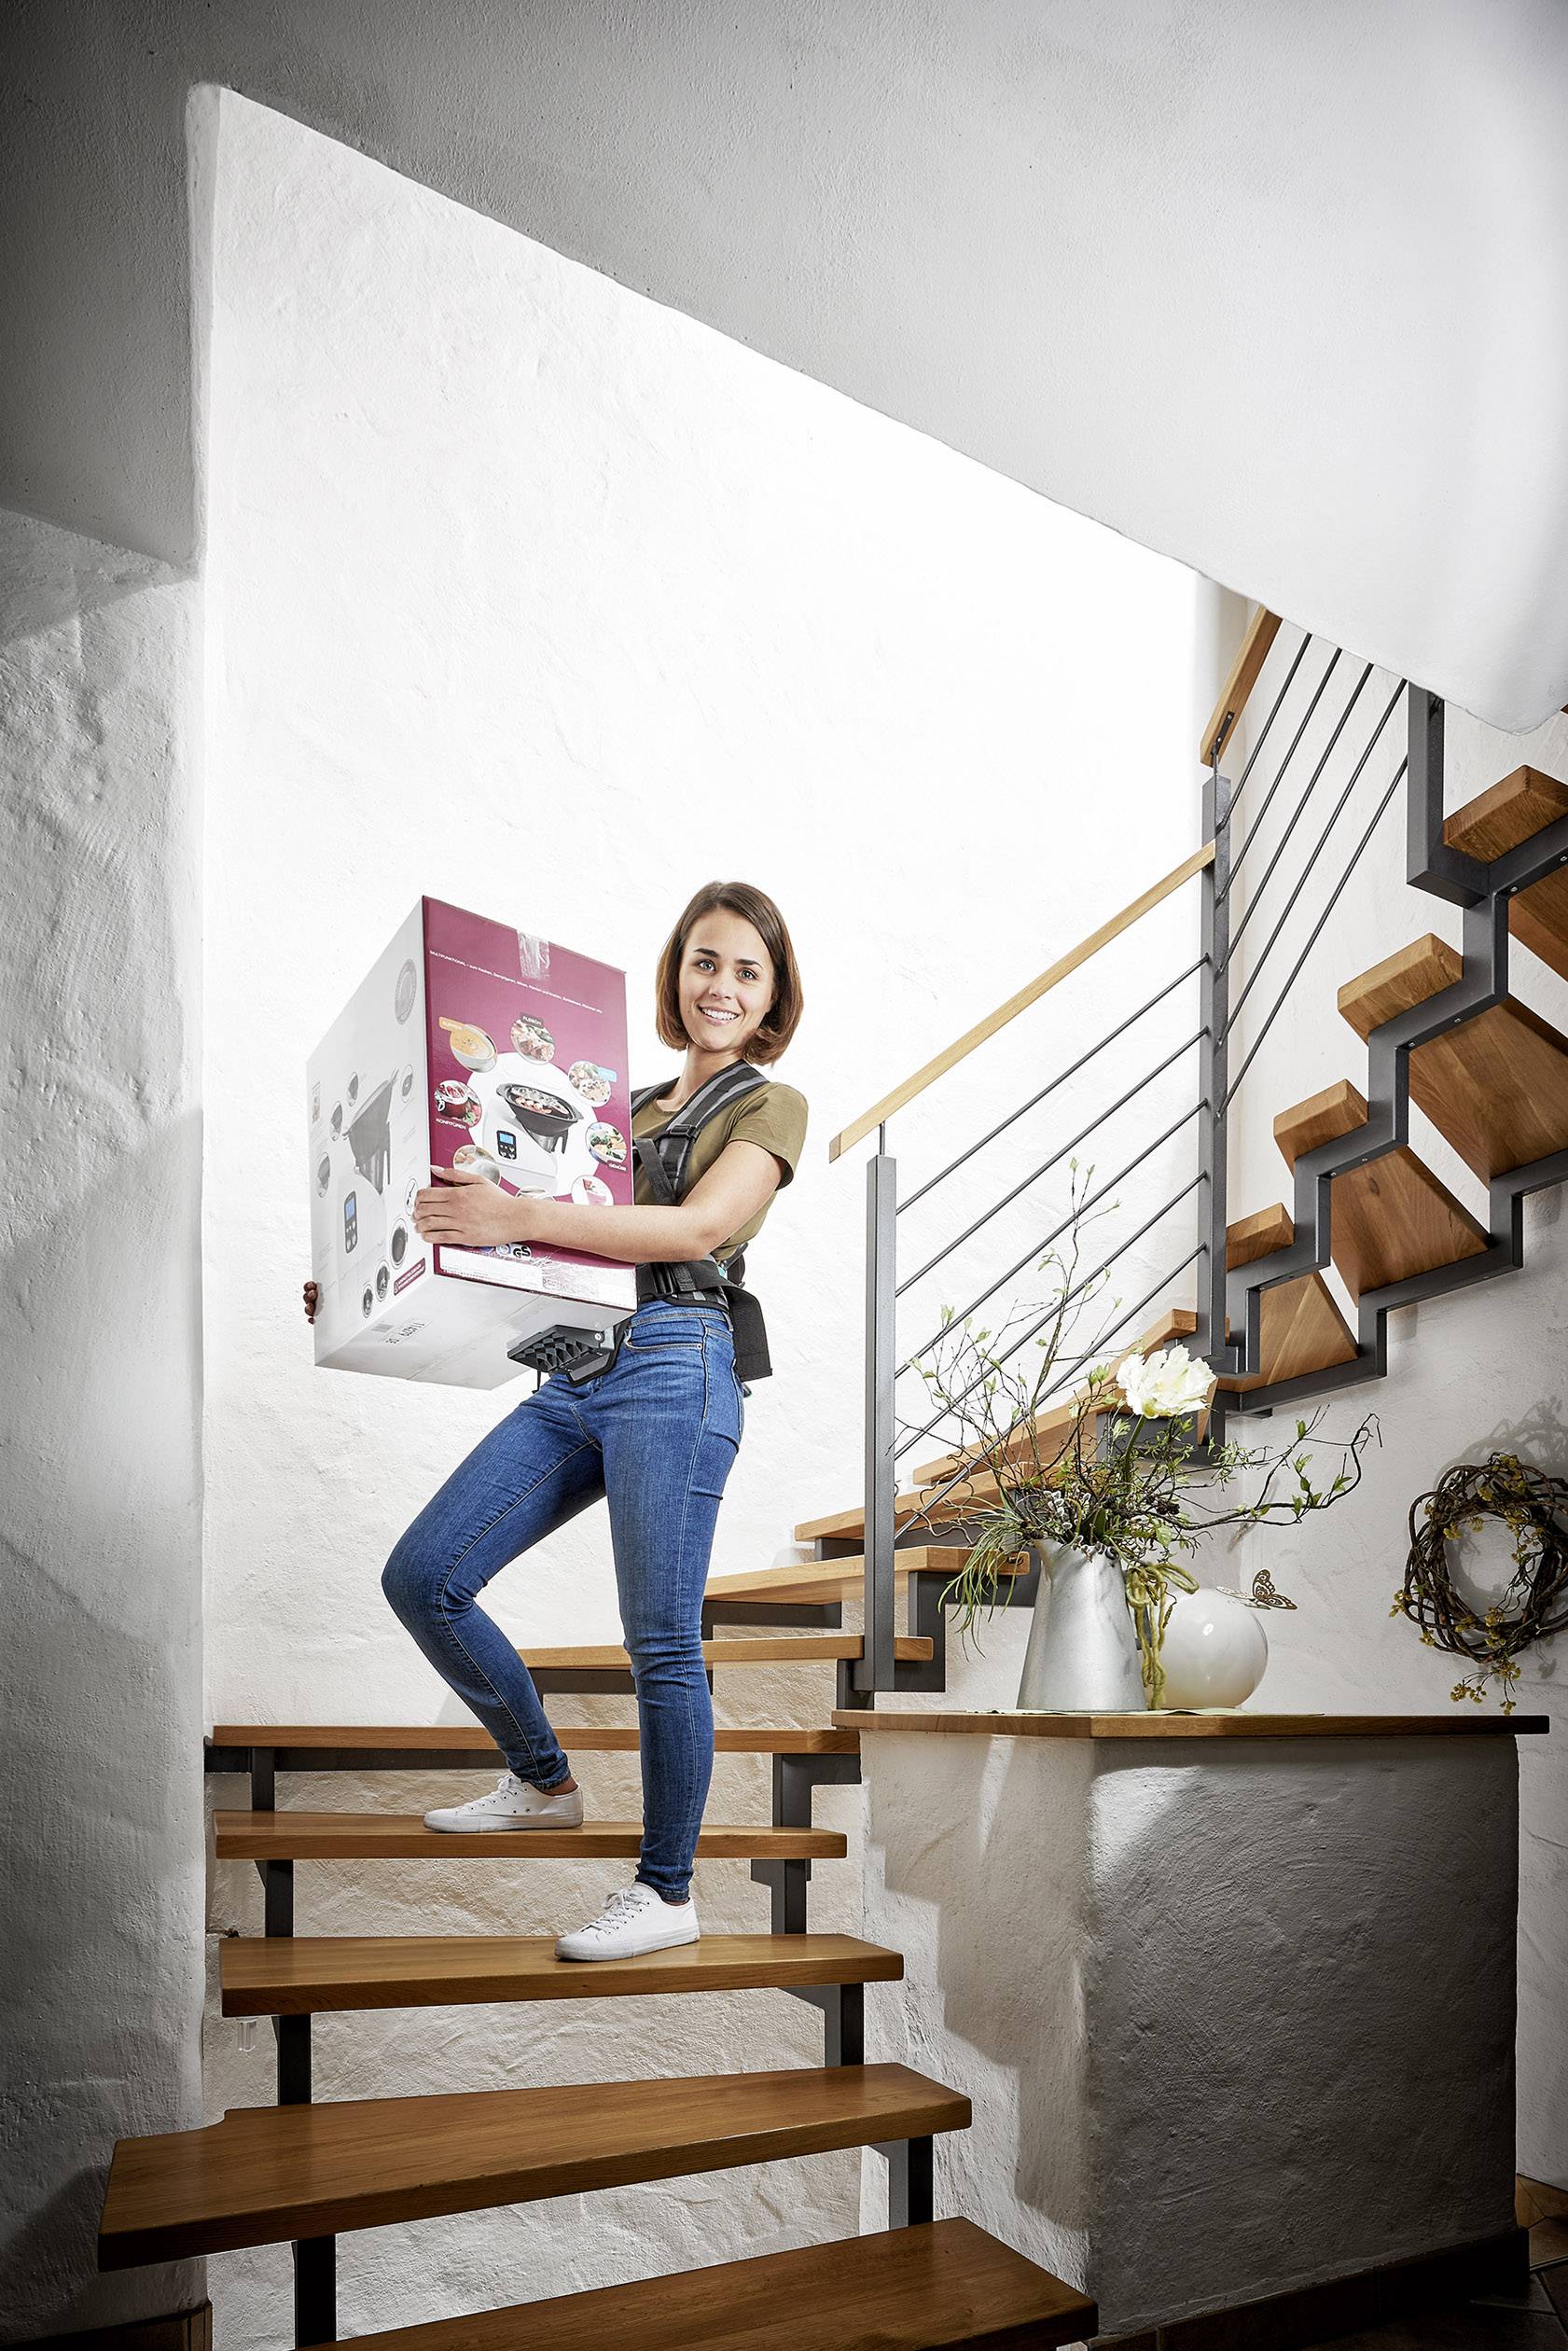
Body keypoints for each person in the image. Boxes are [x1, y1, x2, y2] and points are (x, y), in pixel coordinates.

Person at [303, 881, 806, 1961]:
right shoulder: (619, 1109)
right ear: (676, 975)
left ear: (771, 1000)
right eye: (705, 961)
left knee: (661, 1642)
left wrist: (523, 1211)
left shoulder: (771, 1105)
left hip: (680, 1362)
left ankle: (667, 1893)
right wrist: (363, 1281)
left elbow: (697, 1225)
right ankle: (543, 1780)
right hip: (580, 1369)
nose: (720, 985)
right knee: (424, 1576)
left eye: (746, 971)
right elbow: (532, 1250)